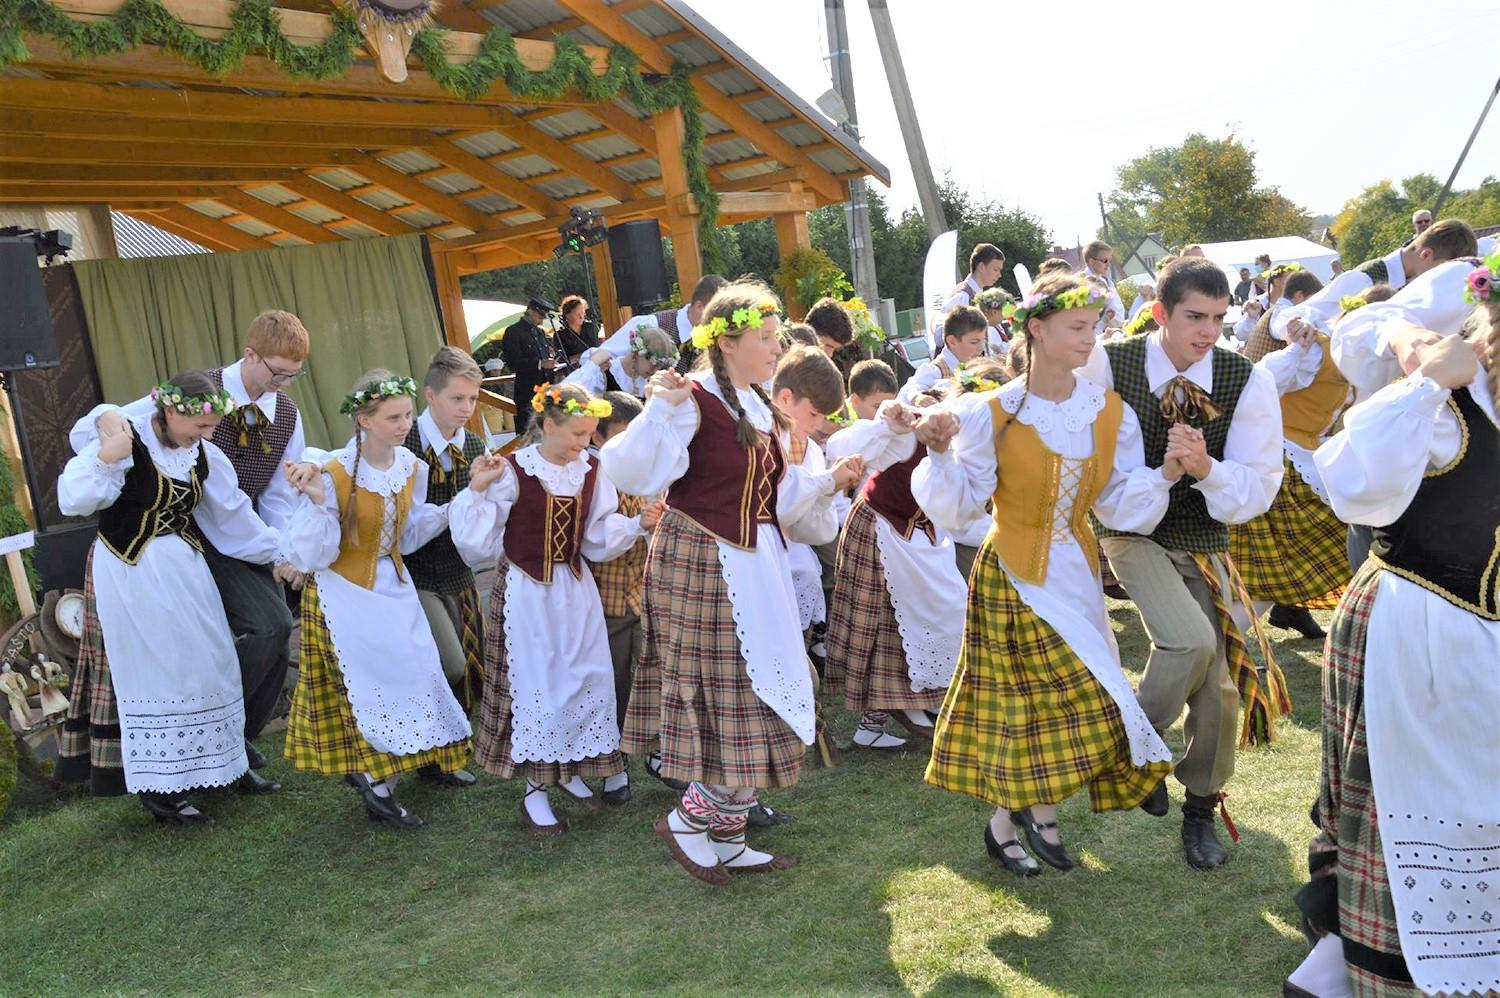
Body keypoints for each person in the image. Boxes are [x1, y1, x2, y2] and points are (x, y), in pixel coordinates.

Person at [600, 280, 862, 885]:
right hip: (705, 564)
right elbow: (629, 467)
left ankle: (730, 836)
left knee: (763, 691)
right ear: (727, 340)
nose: (777, 349)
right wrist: (660, 409)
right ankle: (690, 821)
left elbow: (777, 497)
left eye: (775, 338)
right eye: (767, 339)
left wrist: (829, 482)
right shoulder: (693, 400)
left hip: (755, 560)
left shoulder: (761, 405)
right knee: (733, 696)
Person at [912, 274, 1174, 874]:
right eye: (1076, 328)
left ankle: (1010, 822)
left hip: (1077, 570)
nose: (1089, 339)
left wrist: (1166, 475)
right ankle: (1098, 782)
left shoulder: (1109, 413)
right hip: (1013, 571)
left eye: (1093, 327)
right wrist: (937, 452)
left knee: (1047, 707)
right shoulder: (992, 413)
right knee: (1068, 696)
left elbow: (1117, 501)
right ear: (1036, 328)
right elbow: (958, 507)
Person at [1302, 256, 1500, 995]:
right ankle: (1376, 963)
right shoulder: (1448, 406)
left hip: (1484, 638)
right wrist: (1421, 368)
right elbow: (1350, 478)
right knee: (1402, 805)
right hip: (1413, 626)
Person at [1079, 256, 1288, 871]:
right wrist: (1165, 473)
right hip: (1129, 529)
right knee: (1190, 643)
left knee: (1222, 691)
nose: (1208, 331)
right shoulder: (1108, 364)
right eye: (1195, 316)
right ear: (1159, 313)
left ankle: (1199, 811)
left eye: (1220, 318)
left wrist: (1206, 470)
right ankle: (1137, 751)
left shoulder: (1245, 378)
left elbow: (1258, 486)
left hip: (1204, 538)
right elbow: (1105, 485)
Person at [73, 309, 313, 789]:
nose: (285, 383)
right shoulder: (191, 392)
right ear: (250, 356)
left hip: (232, 535)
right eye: (278, 373)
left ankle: (232, 739)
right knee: (188, 655)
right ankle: (205, 748)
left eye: (294, 374)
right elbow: (103, 429)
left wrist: (281, 553)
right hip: (161, 543)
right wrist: (108, 419)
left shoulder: (285, 415)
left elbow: (277, 498)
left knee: (274, 625)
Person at [56, 372, 283, 822]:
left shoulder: (202, 456)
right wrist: (107, 456)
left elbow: (234, 518)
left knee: (211, 665)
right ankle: (162, 790)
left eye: (211, 426)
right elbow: (73, 499)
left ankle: (227, 765)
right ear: (172, 410)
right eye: (200, 426)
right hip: (131, 570)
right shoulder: (129, 442)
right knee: (161, 674)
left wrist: (284, 552)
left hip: (185, 570)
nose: (207, 435)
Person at [282, 371, 472, 830]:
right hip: (344, 593)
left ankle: (427, 757)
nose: (405, 423)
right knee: (370, 691)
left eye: (407, 414)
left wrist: (454, 509)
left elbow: (406, 535)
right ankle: (376, 784)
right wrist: (314, 503)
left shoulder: (410, 467)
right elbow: (315, 554)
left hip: (395, 585)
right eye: (393, 417)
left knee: (419, 673)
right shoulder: (334, 473)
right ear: (363, 419)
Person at [450, 381, 643, 833]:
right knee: (539, 685)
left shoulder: (592, 470)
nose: (584, 443)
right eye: (577, 434)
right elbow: (476, 543)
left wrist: (634, 525)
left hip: (575, 593)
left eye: (589, 434)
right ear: (548, 425)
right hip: (527, 594)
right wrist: (476, 492)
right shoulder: (514, 470)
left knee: (581, 680)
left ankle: (569, 771)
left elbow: (595, 539)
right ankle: (535, 791)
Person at [823, 377, 969, 753]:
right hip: (880, 527)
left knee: (933, 615)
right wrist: (887, 421)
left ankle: (913, 706)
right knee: (880, 627)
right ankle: (881, 721)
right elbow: (843, 446)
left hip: (919, 534)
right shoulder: (912, 426)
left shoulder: (972, 449)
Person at [1229, 283, 1375, 645]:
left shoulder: (1362, 361)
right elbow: (1260, 378)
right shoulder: (1316, 351)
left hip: (1302, 459)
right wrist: (1296, 344)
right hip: (1281, 461)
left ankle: (1267, 618)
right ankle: (1220, 645)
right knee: (1288, 560)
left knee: (1292, 559)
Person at [402, 346, 489, 719]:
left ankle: (454, 745)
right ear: (430, 394)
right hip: (413, 572)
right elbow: (403, 527)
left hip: (459, 571)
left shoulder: (472, 444)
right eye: (457, 398)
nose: (466, 408)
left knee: (476, 667)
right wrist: (459, 505)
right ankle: (431, 741)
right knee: (449, 664)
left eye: (472, 398)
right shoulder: (405, 442)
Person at [583, 392, 665, 779]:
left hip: (640, 589)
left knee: (654, 671)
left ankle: (656, 748)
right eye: (621, 436)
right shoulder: (594, 474)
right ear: (597, 438)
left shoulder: (636, 471)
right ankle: (613, 764)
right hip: (606, 596)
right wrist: (638, 525)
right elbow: (596, 538)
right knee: (612, 680)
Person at [1273, 219, 1478, 355]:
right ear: (1426, 255)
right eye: (1443, 271)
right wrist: (1299, 325)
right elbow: (1285, 319)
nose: (1443, 280)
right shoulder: (1363, 280)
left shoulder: (1415, 286)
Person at [770, 346, 848, 643]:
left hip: (787, 547)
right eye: (813, 414)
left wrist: (829, 491)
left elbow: (809, 529)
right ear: (786, 398)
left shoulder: (810, 449)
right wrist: (825, 482)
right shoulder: (758, 433)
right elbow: (777, 506)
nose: (817, 425)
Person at [599, 274, 728, 373]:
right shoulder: (651, 324)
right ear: (700, 307)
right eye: (718, 313)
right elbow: (596, 361)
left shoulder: (717, 339)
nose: (723, 320)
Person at [901, 305, 989, 403]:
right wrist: (917, 397)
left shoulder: (979, 368)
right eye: (974, 342)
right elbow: (910, 389)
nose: (981, 348)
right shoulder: (936, 370)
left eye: (983, 340)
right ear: (952, 341)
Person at [565, 325, 679, 399]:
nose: (655, 370)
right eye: (653, 362)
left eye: (659, 365)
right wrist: (592, 365)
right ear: (637, 352)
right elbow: (566, 392)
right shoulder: (605, 372)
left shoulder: (650, 383)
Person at [502, 296, 560, 436]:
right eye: (540, 315)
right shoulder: (513, 332)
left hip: (546, 391)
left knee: (549, 433)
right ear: (530, 311)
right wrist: (540, 364)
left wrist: (552, 361)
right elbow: (514, 363)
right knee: (529, 435)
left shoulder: (540, 332)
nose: (542, 319)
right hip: (528, 393)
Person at [1244, 269, 1325, 363]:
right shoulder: (1284, 313)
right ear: (1299, 295)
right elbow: (1282, 326)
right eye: (1313, 300)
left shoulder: (1277, 309)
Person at [935, 243, 1006, 349]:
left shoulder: (974, 294)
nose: (999, 275)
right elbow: (940, 337)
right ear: (981, 267)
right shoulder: (962, 296)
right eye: (995, 269)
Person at [554, 294, 600, 365]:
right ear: (567, 315)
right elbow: (559, 360)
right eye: (577, 314)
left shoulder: (591, 327)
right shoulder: (560, 335)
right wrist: (580, 356)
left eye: (583, 313)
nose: (581, 317)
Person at [975, 288, 1012, 357]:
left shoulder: (995, 326)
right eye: (1004, 310)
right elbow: (1000, 350)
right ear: (994, 312)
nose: (1005, 315)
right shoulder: (989, 331)